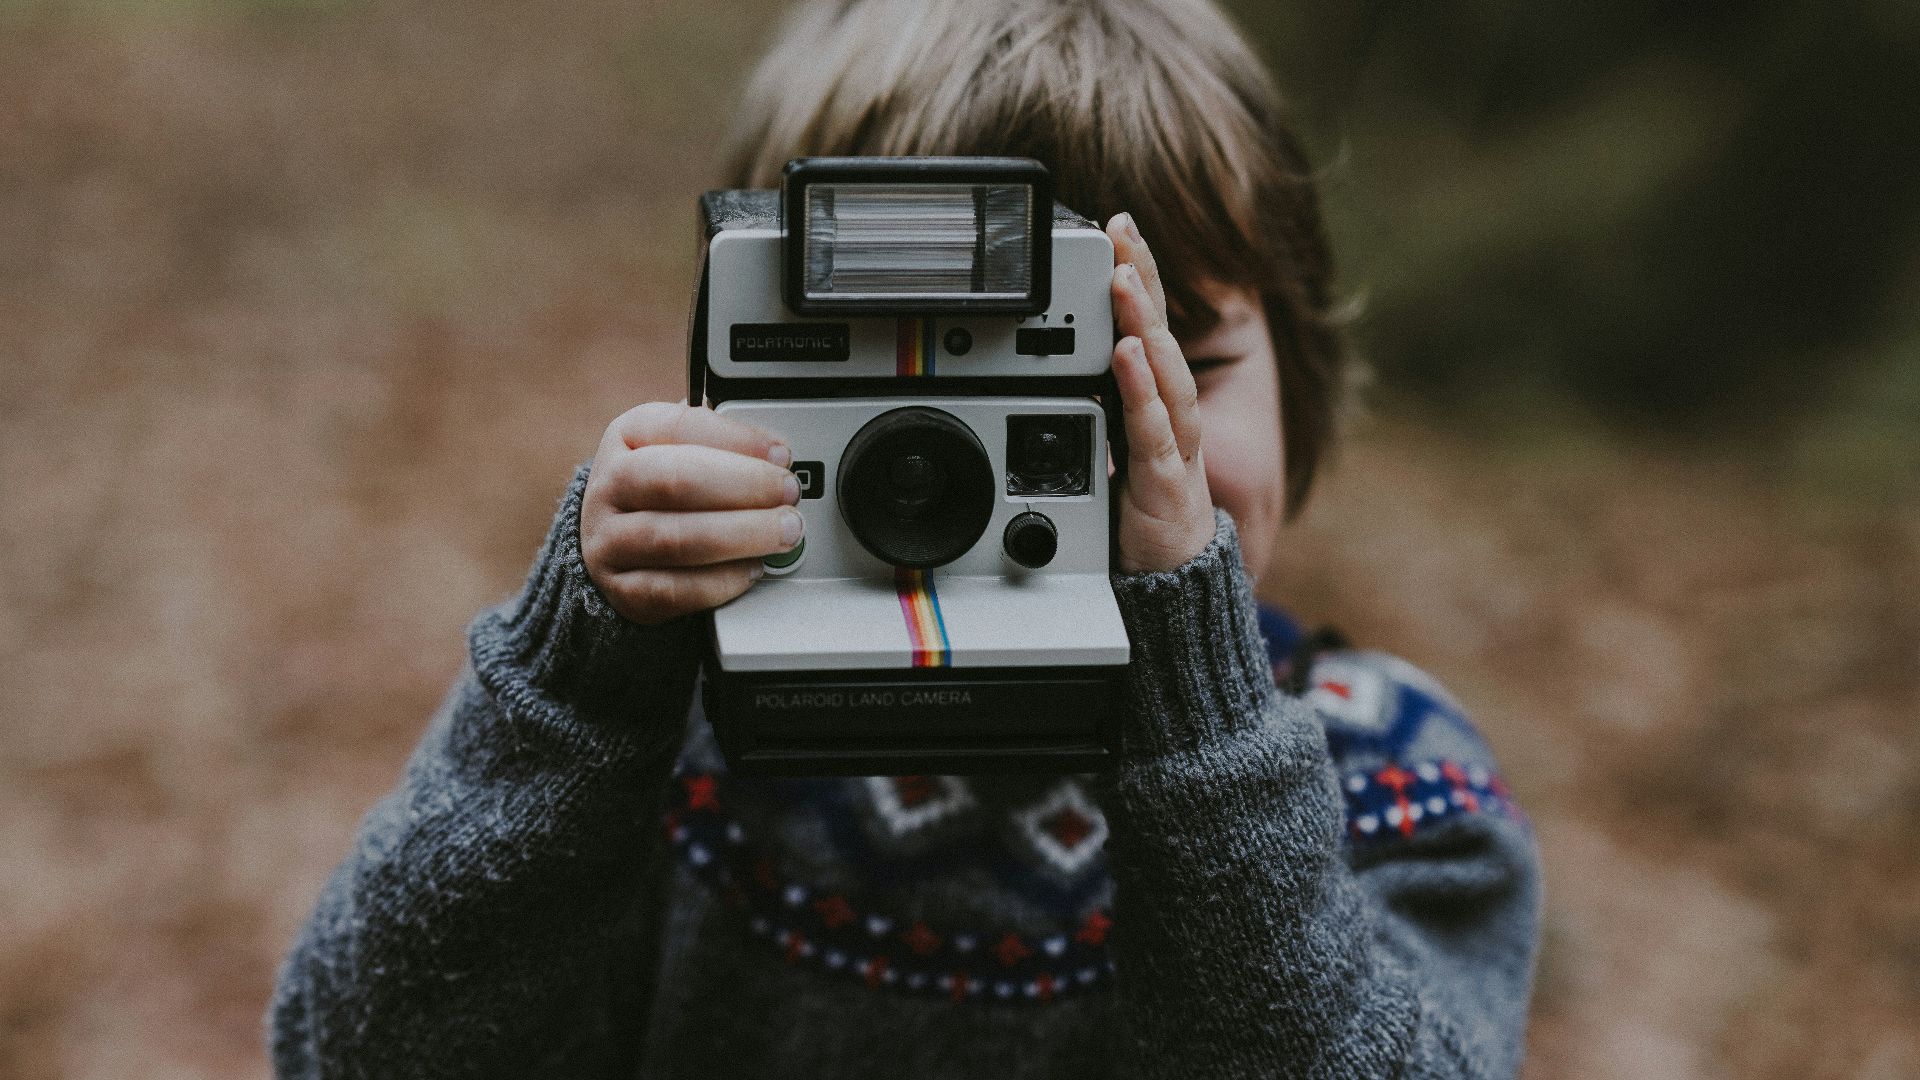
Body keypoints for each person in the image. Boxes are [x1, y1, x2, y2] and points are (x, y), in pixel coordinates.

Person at [268, 0, 1542, 1075]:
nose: (1098, 459)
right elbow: (356, 1052)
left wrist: (1197, 717)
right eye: (919, 399)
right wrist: (579, 682)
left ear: (1301, 369)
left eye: (1163, 374)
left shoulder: (1388, 779)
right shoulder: (658, 750)